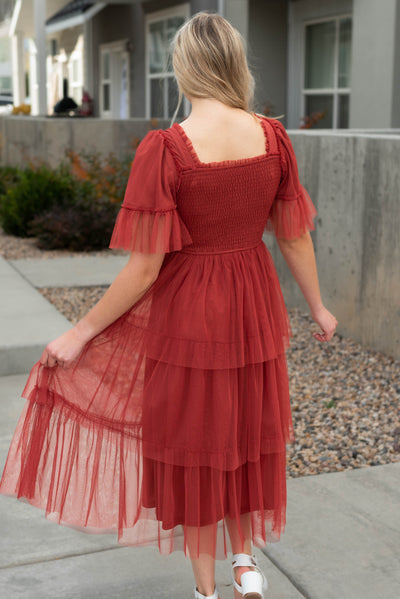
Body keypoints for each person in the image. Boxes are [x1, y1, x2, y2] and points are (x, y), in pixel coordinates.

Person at [0, 12, 337, 599]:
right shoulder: (272, 137)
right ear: (234, 63)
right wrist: (318, 306)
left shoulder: (166, 149)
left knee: (195, 443)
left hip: (189, 311)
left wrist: (79, 332)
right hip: (253, 302)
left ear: (184, 66)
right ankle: (246, 564)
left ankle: (206, 590)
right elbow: (293, 236)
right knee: (245, 432)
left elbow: (144, 266)